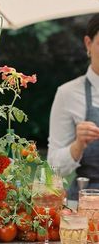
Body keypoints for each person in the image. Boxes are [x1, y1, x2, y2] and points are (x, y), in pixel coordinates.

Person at [47, 13, 99, 200]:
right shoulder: (68, 93)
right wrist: (78, 146)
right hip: (86, 203)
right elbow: (54, 167)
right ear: (88, 44)